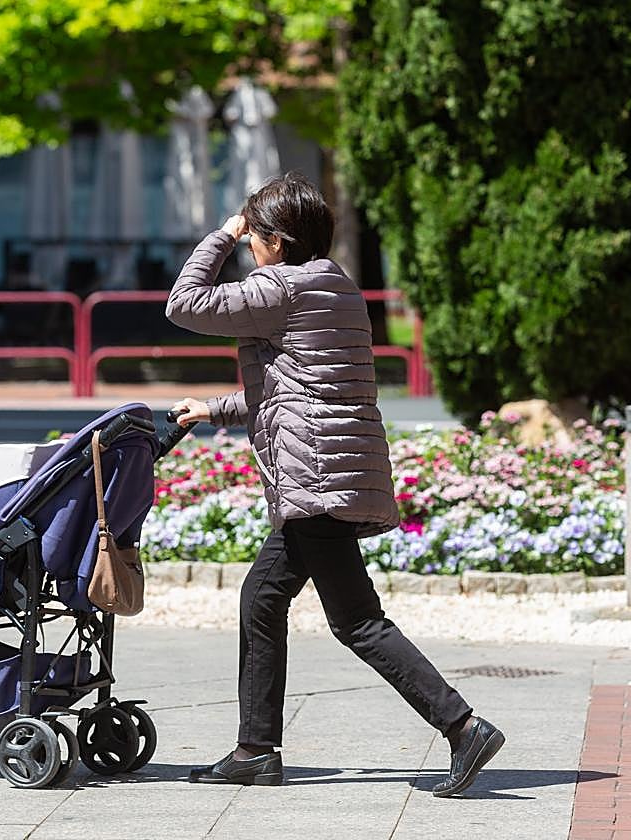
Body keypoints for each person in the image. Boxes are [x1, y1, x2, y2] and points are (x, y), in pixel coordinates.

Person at [165, 172, 504, 797]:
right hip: (334, 471)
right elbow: (296, 390)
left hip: (314, 478)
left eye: (253, 239)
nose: (248, 249)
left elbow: (183, 305)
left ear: (275, 240)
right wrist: (214, 409)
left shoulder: (280, 287)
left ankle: (461, 726)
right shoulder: (337, 287)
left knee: (356, 621)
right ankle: (255, 749)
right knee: (263, 600)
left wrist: (221, 234)